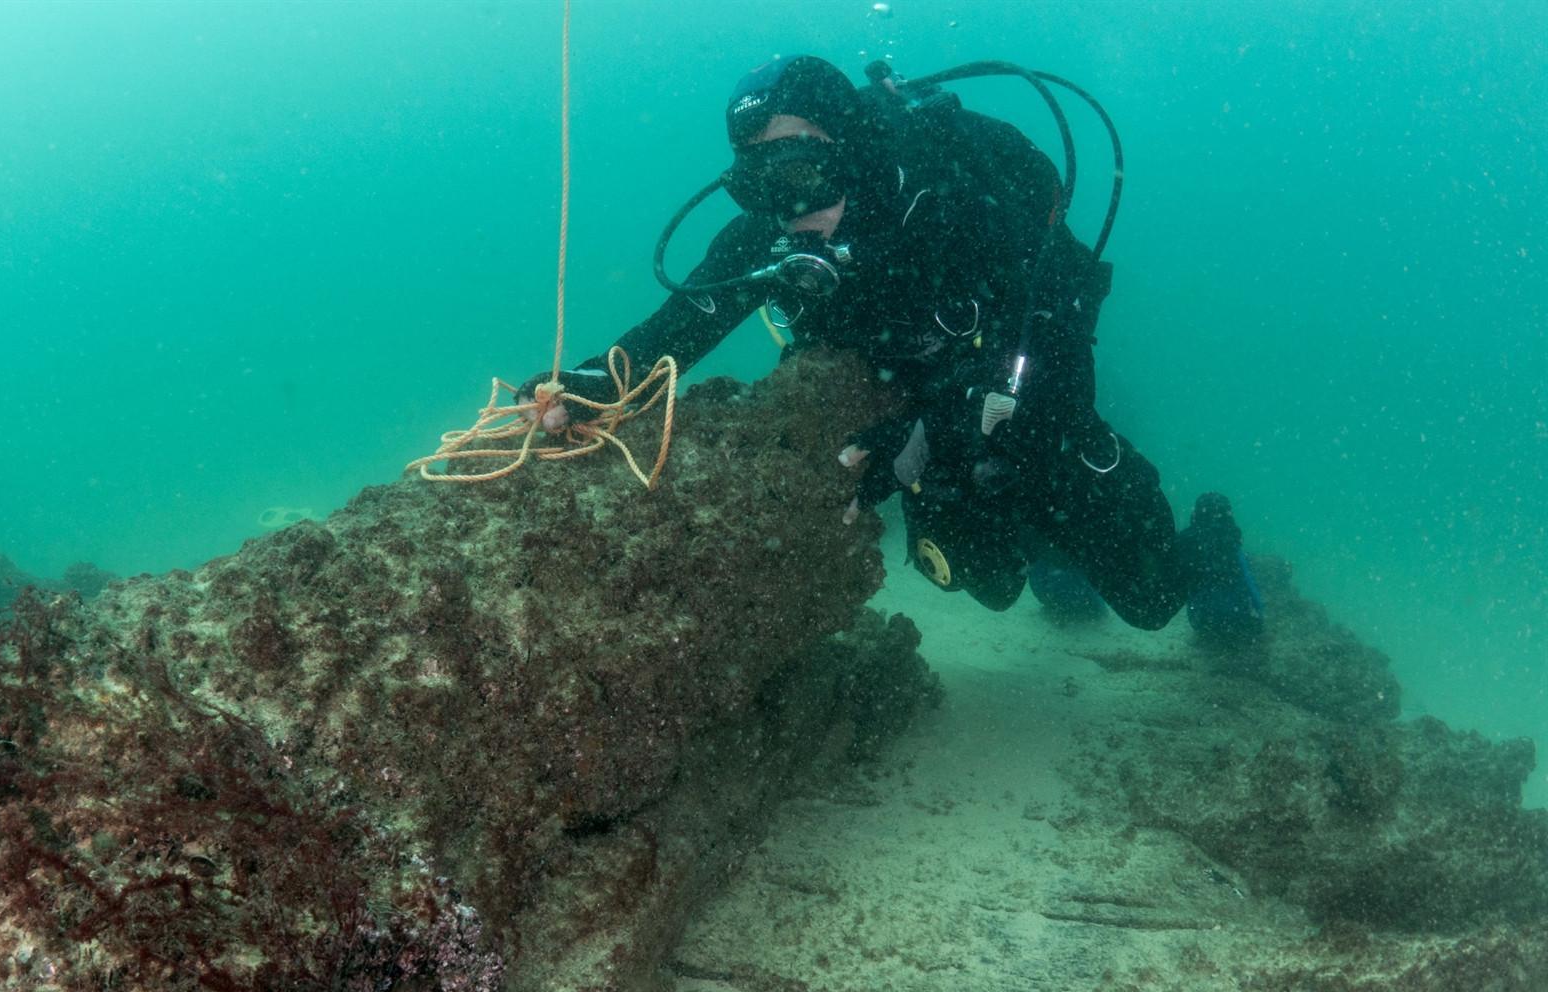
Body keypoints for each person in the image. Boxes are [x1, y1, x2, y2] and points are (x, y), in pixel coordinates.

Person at [523, 55, 1262, 642]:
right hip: (924, 430)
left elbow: (1063, 371)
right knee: (988, 581)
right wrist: (588, 384)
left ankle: (1211, 536)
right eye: (759, 183)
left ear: (851, 146)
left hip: (1028, 408)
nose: (789, 209)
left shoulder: (956, 204)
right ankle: (1049, 548)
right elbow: (675, 332)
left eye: (800, 172)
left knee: (1149, 599)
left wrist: (923, 435)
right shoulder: (777, 229)